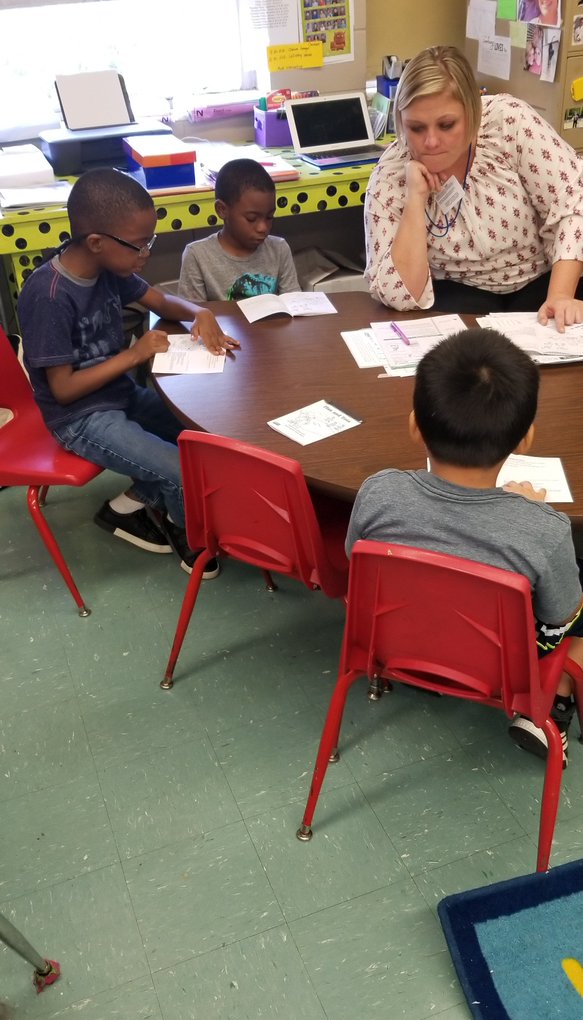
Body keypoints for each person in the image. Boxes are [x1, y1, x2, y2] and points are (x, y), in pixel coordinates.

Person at [346, 327, 583, 764]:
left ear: (415, 426)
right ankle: (552, 706)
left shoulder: (378, 493)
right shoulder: (545, 530)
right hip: (500, 669)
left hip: (394, 641)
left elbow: (354, 561)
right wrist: (524, 511)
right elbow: (558, 618)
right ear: (525, 439)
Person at [18, 168, 240, 575]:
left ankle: (128, 505)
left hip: (118, 395)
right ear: (97, 242)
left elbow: (160, 300)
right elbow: (64, 390)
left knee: (208, 437)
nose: (146, 253)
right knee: (181, 472)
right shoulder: (48, 296)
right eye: (140, 245)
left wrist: (199, 312)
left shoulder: (108, 270)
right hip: (79, 419)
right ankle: (180, 527)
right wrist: (134, 355)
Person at [365, 45, 583, 319]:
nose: (431, 142)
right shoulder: (390, 175)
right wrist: (415, 198)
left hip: (540, 282)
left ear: (472, 114)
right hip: (456, 295)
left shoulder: (509, 123)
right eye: (416, 128)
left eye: (446, 125)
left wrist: (561, 296)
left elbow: (573, 201)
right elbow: (399, 294)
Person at [178, 159, 300, 303]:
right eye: (251, 218)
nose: (263, 228)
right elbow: (192, 315)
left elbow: (295, 305)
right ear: (222, 210)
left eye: (269, 217)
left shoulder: (279, 249)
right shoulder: (197, 255)